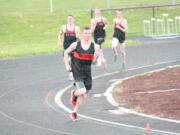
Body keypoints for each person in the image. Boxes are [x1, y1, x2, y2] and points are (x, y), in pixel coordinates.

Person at [64, 27, 100, 121]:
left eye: (89, 33)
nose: (87, 35)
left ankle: (74, 112)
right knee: (83, 91)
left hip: (87, 72)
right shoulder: (75, 45)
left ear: (90, 35)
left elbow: (94, 63)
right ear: (82, 35)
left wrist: (96, 58)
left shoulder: (95, 47)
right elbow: (66, 52)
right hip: (77, 70)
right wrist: (67, 65)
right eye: (85, 33)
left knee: (84, 95)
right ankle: (75, 94)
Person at [58, 15, 80, 80]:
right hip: (66, 47)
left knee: (72, 60)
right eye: (68, 19)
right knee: (67, 60)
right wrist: (59, 41)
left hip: (73, 47)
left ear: (73, 20)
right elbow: (60, 34)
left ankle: (71, 74)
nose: (70, 20)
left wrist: (78, 38)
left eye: (71, 19)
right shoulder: (64, 27)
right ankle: (71, 72)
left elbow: (79, 39)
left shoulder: (76, 28)